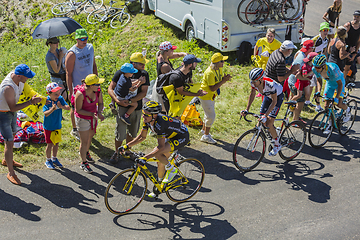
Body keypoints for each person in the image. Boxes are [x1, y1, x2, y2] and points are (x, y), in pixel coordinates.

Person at [119, 101, 189, 198]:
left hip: (181, 136)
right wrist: (127, 146)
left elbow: (161, 147)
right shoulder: (148, 120)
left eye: (146, 115)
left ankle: (172, 169)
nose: (143, 117)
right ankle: (159, 186)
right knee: (160, 162)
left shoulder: (160, 124)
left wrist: (145, 158)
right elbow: (142, 137)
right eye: (143, 114)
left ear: (155, 115)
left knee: (158, 153)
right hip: (170, 135)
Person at [0, 64, 42, 185]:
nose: (28, 79)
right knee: (9, 141)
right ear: (19, 76)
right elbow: (13, 107)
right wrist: (30, 102)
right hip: (3, 114)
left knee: (13, 136)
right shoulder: (8, 87)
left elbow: (25, 92)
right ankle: (11, 173)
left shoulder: (18, 78)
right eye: (26, 77)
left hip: (11, 112)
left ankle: (7, 160)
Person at [108, 52, 150, 164]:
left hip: (135, 108)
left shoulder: (144, 74)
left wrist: (130, 101)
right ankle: (117, 152)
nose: (144, 66)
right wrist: (117, 100)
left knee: (132, 132)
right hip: (122, 108)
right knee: (120, 132)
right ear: (133, 64)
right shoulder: (121, 73)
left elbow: (144, 93)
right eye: (142, 64)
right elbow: (110, 88)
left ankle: (127, 151)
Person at [65, 28, 98, 143]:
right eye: (82, 39)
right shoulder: (72, 53)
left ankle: (87, 128)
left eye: (86, 38)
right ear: (77, 39)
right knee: (76, 107)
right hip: (78, 85)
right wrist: (70, 90)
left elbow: (94, 64)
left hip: (91, 84)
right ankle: (75, 129)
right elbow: (68, 73)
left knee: (89, 105)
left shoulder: (90, 48)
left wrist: (96, 80)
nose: (85, 41)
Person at [241, 68, 284, 156]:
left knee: (268, 123)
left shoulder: (270, 85)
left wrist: (266, 115)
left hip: (277, 97)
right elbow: (252, 94)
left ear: (261, 79)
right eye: (252, 81)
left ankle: (277, 144)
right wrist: (247, 109)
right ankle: (274, 131)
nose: (253, 83)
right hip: (267, 97)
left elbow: (274, 102)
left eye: (255, 81)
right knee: (260, 121)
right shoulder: (254, 83)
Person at [73, 74, 105, 173]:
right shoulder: (80, 94)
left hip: (92, 117)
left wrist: (99, 112)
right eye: (97, 84)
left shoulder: (98, 92)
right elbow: (78, 110)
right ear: (91, 86)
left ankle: (86, 152)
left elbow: (100, 103)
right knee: (84, 141)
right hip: (82, 118)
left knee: (90, 136)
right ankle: (83, 162)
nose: (99, 86)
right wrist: (92, 114)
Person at [198, 53, 232, 144]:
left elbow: (219, 80)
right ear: (217, 63)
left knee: (208, 114)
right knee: (211, 116)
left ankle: (204, 131)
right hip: (205, 95)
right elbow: (212, 88)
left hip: (211, 96)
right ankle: (206, 136)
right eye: (222, 61)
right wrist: (224, 81)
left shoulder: (219, 69)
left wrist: (225, 78)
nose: (223, 62)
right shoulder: (209, 72)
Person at [312, 55, 351, 130]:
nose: (316, 69)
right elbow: (319, 80)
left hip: (339, 83)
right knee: (326, 106)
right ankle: (331, 124)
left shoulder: (332, 69)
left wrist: (336, 98)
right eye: (315, 67)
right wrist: (319, 91)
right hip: (330, 83)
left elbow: (340, 84)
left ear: (323, 66)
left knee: (339, 103)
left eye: (318, 67)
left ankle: (347, 110)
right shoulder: (314, 69)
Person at [43, 82, 70, 169]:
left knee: (56, 143)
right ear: (49, 93)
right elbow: (45, 114)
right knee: (49, 144)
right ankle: (48, 160)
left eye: (58, 93)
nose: (57, 95)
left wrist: (61, 106)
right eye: (55, 94)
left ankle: (54, 159)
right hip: (48, 126)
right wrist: (53, 109)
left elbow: (68, 107)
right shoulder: (46, 101)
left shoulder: (60, 98)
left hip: (57, 125)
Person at [287, 39, 314, 121]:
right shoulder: (302, 59)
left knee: (293, 96)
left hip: (291, 80)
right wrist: (307, 78)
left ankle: (291, 112)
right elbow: (297, 76)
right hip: (295, 82)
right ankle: (295, 120)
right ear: (311, 49)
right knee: (301, 101)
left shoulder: (300, 52)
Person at [343, 10, 360, 77]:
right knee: (342, 68)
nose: (356, 18)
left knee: (347, 69)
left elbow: (359, 41)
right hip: (344, 49)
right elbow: (341, 38)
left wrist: (355, 53)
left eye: (358, 17)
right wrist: (344, 51)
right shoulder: (348, 25)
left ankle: (343, 83)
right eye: (355, 16)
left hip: (353, 51)